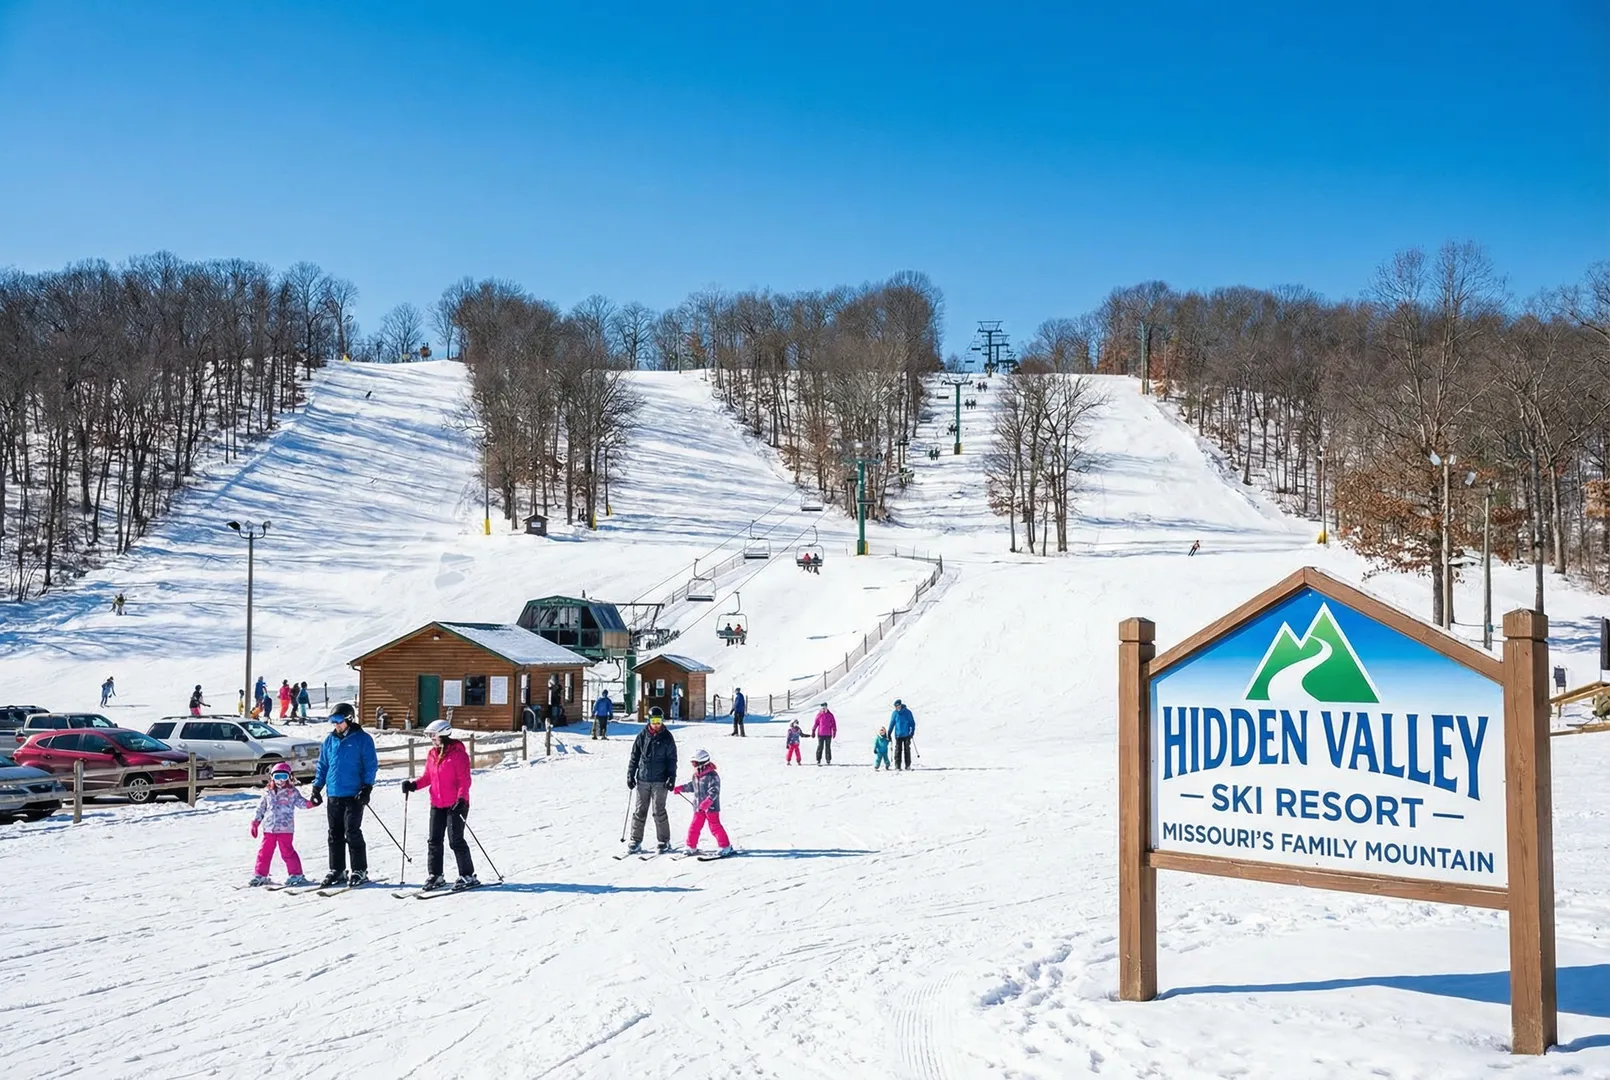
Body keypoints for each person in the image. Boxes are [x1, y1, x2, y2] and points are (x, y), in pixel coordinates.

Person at [401, 719, 477, 891]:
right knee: (434, 840)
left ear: (443, 734)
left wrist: (462, 799)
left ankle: (467, 875)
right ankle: (436, 875)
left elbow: (464, 781)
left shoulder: (459, 755)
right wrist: (413, 785)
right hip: (437, 803)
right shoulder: (432, 754)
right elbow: (428, 777)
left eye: (433, 736)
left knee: (455, 840)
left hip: (456, 804)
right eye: (430, 736)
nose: (431, 739)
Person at [310, 702, 379, 887]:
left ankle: (359, 870)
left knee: (352, 831)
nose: (336, 725)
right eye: (333, 721)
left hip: (354, 794)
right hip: (334, 793)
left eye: (339, 721)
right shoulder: (329, 740)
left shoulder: (363, 739)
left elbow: (370, 765)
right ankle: (337, 870)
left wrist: (367, 787)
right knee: (335, 833)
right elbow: (323, 765)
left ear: (349, 719)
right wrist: (317, 787)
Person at [248, 762, 313, 886]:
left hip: (285, 829)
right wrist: (255, 823)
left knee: (287, 852)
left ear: (289, 777)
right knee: (264, 853)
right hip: (269, 829)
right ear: (272, 777)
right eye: (277, 777)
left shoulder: (292, 792)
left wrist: (312, 803)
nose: (281, 780)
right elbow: (260, 809)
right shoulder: (268, 793)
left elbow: (302, 803)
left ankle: (296, 874)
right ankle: (260, 875)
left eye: (284, 776)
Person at [624, 707, 678, 854]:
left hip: (660, 781)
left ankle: (664, 840)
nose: (656, 724)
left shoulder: (667, 737)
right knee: (640, 811)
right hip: (643, 779)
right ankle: (635, 840)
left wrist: (671, 777)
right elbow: (634, 757)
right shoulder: (642, 736)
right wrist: (630, 774)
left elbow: (672, 760)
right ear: (649, 721)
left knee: (658, 811)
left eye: (659, 721)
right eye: (653, 721)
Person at [674, 749, 732, 856]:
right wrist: (681, 788)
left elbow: (714, 791)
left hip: (711, 808)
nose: (693, 765)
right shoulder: (696, 775)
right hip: (698, 807)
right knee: (694, 827)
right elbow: (692, 786)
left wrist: (708, 802)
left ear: (702, 762)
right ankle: (691, 847)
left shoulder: (712, 776)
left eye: (695, 763)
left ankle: (725, 846)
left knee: (715, 827)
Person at [889, 699, 916, 771]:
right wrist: (889, 732)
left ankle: (908, 765)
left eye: (898, 706)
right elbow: (892, 723)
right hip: (898, 735)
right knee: (898, 750)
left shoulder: (908, 712)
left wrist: (912, 732)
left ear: (901, 705)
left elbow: (912, 723)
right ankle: (897, 766)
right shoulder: (894, 713)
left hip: (907, 734)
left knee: (907, 750)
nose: (897, 707)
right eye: (896, 706)